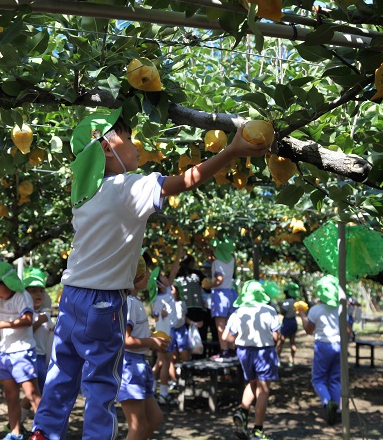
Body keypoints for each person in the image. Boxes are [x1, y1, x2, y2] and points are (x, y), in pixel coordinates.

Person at [28, 107, 268, 440]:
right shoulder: (128, 187)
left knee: (62, 372)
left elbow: (103, 248)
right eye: (127, 138)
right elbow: (185, 180)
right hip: (103, 303)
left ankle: (43, 433)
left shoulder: (84, 195)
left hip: (71, 299)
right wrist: (232, 150)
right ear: (107, 148)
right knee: (101, 383)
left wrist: (130, 275)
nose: (136, 144)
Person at [0, 261, 42, 440]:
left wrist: (1, 324)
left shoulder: (22, 296)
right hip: (5, 353)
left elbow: (27, 320)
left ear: (7, 282)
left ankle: (44, 431)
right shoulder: (0, 300)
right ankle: (15, 432)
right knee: (10, 396)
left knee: (32, 394)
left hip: (22, 352)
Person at [117, 256, 168, 440]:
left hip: (139, 364)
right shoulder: (129, 303)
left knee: (154, 418)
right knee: (137, 427)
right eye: (143, 271)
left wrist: (152, 340)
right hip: (130, 366)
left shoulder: (134, 302)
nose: (148, 275)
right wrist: (150, 342)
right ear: (133, 276)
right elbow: (125, 339)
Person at [223, 280, 281, 440]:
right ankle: (258, 430)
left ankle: (242, 412)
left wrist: (238, 344)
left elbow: (226, 337)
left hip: (244, 352)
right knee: (263, 390)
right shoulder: (269, 311)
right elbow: (276, 336)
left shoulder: (238, 312)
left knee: (252, 383)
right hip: (264, 351)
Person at [298, 274, 342, 426]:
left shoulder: (316, 310)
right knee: (335, 379)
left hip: (323, 345)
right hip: (339, 345)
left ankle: (327, 402)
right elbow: (347, 330)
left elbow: (309, 330)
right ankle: (337, 410)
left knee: (318, 379)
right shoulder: (342, 308)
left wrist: (302, 315)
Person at [21, 266, 54, 423]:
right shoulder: (26, 314)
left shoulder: (45, 315)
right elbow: (25, 333)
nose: (38, 294)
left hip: (43, 357)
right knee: (36, 393)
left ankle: (17, 423)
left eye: (40, 291)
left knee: (35, 392)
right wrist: (38, 322)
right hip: (31, 356)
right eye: (33, 291)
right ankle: (40, 425)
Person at [205, 238, 239, 361]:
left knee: (221, 325)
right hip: (232, 293)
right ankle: (232, 349)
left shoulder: (216, 263)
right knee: (231, 324)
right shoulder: (232, 259)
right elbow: (215, 252)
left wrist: (209, 286)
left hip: (220, 295)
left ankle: (224, 351)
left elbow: (219, 280)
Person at [151, 272, 177, 405]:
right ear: (160, 285)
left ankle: (152, 388)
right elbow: (155, 316)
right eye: (164, 278)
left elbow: (174, 269)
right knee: (165, 361)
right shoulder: (158, 299)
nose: (167, 278)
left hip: (167, 331)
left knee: (160, 362)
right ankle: (163, 393)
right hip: (165, 332)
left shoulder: (167, 291)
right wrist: (159, 314)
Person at [276, 282, 300, 367]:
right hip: (294, 321)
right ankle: (292, 360)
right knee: (292, 342)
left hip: (287, 322)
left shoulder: (287, 302)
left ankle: (278, 360)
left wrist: (280, 306)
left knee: (281, 341)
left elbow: (283, 312)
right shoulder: (296, 302)